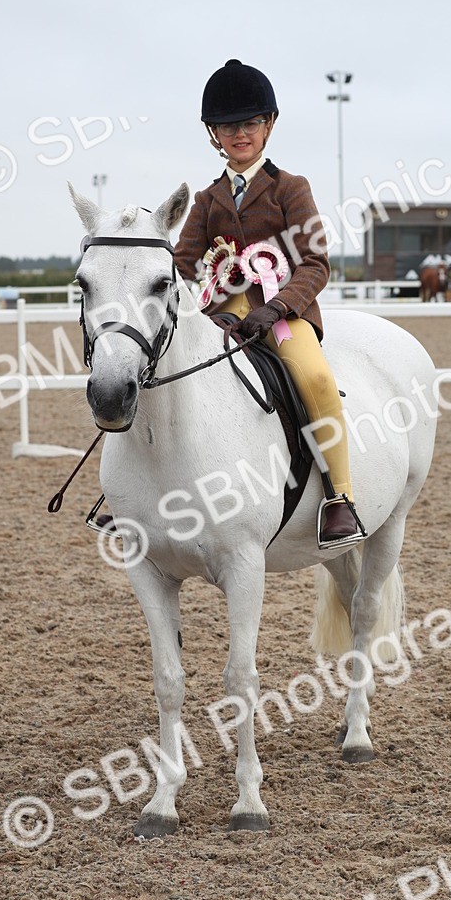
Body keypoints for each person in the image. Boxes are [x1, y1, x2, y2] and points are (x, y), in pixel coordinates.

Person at [175, 59, 365, 546]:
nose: (240, 133)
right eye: (228, 126)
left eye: (250, 123)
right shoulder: (205, 199)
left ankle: (339, 498)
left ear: (269, 125)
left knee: (317, 378)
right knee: (161, 372)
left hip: (281, 312)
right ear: (213, 133)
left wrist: (278, 307)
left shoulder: (289, 189)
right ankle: (139, 495)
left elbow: (316, 263)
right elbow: (183, 264)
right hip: (220, 311)